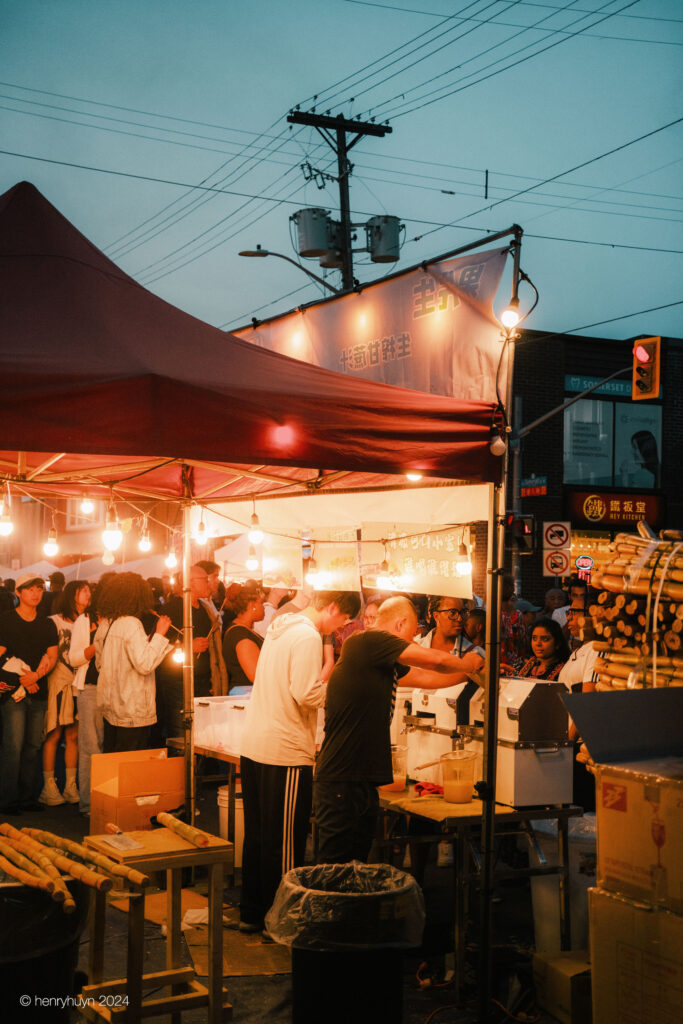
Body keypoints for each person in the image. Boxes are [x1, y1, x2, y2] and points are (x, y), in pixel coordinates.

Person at [313, 596, 484, 865]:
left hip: (361, 778)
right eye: (413, 633)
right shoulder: (367, 640)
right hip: (342, 776)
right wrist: (472, 662)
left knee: (355, 863)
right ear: (400, 623)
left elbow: (427, 678)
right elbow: (433, 662)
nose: (414, 640)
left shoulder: (379, 660)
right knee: (335, 864)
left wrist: (474, 675)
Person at [239, 589, 361, 934]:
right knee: (286, 842)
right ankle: (283, 921)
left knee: (260, 836)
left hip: (254, 746)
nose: (340, 629)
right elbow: (307, 693)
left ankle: (253, 913)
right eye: (343, 620)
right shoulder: (307, 635)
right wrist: (340, 688)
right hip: (284, 751)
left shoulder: (280, 626)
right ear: (334, 608)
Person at [0, 572, 58, 814]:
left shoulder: (47, 623)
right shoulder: (6, 620)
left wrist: (36, 676)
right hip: (12, 691)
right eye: (30, 589)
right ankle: (8, 800)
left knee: (33, 744)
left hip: (39, 689)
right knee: (13, 745)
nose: (36, 593)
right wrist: (22, 677)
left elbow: (52, 656)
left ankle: (27, 797)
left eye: (39, 589)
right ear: (19, 593)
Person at [95, 573, 172, 752]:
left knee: (113, 766)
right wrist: (160, 634)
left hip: (111, 707)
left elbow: (99, 664)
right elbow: (145, 664)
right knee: (130, 768)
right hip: (132, 710)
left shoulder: (106, 623)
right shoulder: (131, 623)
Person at [39, 580, 91, 806]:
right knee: (54, 733)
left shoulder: (91, 620)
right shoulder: (54, 622)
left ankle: (71, 784)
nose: (89, 594)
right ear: (72, 594)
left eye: (90, 591)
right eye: (84, 591)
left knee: (74, 736)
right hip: (58, 682)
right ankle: (48, 785)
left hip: (79, 683)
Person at [68, 574, 113, 816]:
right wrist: (96, 643)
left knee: (107, 745)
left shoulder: (121, 620)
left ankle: (106, 801)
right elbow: (74, 658)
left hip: (114, 688)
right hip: (91, 689)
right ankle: (88, 804)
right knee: (90, 747)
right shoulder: (85, 620)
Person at [222, 582, 265, 691]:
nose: (263, 608)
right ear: (252, 606)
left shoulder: (243, 630)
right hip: (245, 695)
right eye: (262, 603)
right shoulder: (240, 635)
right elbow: (256, 675)